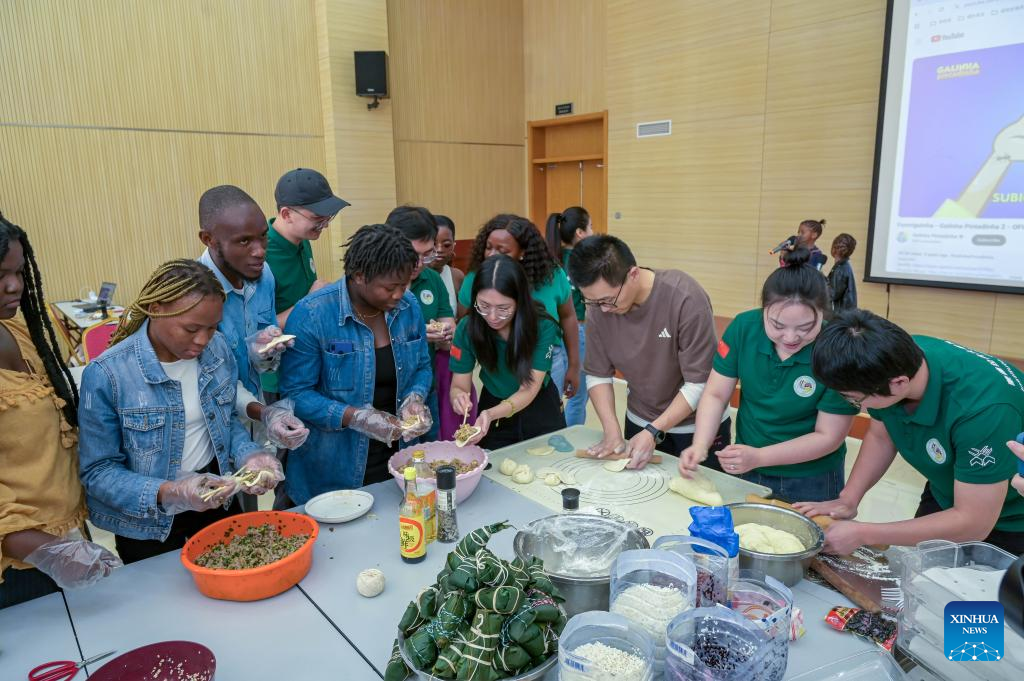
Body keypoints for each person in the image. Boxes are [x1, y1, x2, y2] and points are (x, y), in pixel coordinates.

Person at [78, 260, 286, 563]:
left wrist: (249, 454)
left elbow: (224, 419)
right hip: (148, 521)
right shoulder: (108, 374)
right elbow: (98, 472)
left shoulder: (217, 349)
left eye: (212, 327)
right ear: (156, 309)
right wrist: (172, 491)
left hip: (214, 498)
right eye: (191, 329)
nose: (202, 340)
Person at [794, 310, 1024, 556]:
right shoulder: (889, 360)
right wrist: (848, 499)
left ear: (899, 383)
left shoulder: (983, 412)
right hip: (946, 492)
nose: (857, 407)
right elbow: (881, 436)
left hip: (1011, 521)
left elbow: (973, 523)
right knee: (920, 571)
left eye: (854, 399)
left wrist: (864, 533)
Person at [0, 214, 120, 608]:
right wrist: (49, 552)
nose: (15, 285)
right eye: (0, 275)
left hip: (64, 539)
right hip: (17, 562)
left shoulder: (18, 329)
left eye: (19, 272)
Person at [679, 249, 859, 502]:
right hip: (748, 466)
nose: (790, 337)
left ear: (823, 313)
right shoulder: (744, 328)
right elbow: (716, 394)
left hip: (811, 476)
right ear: (763, 310)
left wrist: (759, 456)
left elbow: (828, 437)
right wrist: (700, 444)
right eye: (777, 325)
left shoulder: (837, 350)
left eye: (806, 327)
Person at [279, 225, 433, 504]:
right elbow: (295, 394)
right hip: (334, 466)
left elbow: (422, 365)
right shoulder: (313, 314)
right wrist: (355, 417)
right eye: (390, 288)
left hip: (399, 457)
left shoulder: (408, 307)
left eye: (405, 284)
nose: (399, 295)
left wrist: (415, 397)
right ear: (359, 275)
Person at [568, 235, 724, 469]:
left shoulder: (685, 297)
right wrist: (612, 431)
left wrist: (654, 430)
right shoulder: (598, 308)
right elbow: (598, 374)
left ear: (633, 274)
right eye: (592, 302)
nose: (603, 309)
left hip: (697, 426)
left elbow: (700, 383)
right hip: (639, 421)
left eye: (608, 300)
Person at [458, 214, 580, 407]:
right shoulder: (477, 277)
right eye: (488, 247)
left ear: (523, 252)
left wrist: (573, 364)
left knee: (545, 412)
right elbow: (466, 322)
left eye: (502, 250)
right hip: (498, 360)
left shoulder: (552, 275)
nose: (491, 255)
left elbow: (568, 316)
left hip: (546, 358)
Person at [450, 255, 565, 449]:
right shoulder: (467, 328)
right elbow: (459, 385)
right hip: (493, 401)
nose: (492, 317)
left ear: (520, 301)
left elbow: (528, 389)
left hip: (539, 406)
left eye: (503, 308)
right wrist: (458, 397)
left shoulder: (542, 326)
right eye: (484, 306)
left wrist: (491, 414)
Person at [196, 185, 290, 404]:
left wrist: (266, 353)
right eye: (244, 241)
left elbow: (263, 364)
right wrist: (261, 412)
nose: (260, 251)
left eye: (263, 236)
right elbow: (208, 384)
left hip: (256, 407)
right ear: (208, 239)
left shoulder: (264, 274)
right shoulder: (194, 294)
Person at [263, 168, 349, 395]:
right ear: (286, 214)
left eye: (327, 217)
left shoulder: (303, 239)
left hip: (306, 364)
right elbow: (257, 330)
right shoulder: (261, 255)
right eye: (317, 218)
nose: (325, 225)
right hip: (276, 375)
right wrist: (310, 300)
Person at [386, 206, 456, 441]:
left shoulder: (432, 278)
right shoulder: (377, 284)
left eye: (427, 254)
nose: (418, 263)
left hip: (424, 385)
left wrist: (446, 332)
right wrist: (416, 334)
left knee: (428, 451)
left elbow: (448, 328)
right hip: (386, 393)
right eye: (412, 254)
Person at [545, 206, 593, 427]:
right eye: (590, 226)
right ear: (580, 233)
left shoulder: (551, 260)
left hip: (555, 336)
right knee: (577, 397)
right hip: (577, 332)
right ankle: (572, 438)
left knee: (556, 396)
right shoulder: (583, 261)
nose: (593, 231)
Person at [430, 214, 477, 439]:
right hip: (427, 357)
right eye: (434, 244)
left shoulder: (456, 276)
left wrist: (449, 329)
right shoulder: (414, 278)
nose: (439, 250)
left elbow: (464, 319)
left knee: (455, 415)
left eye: (446, 244)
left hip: (449, 356)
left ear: (454, 246)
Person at [826, 233, 857, 311]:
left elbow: (832, 294)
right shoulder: (844, 266)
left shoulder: (840, 269)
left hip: (840, 314)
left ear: (834, 248)